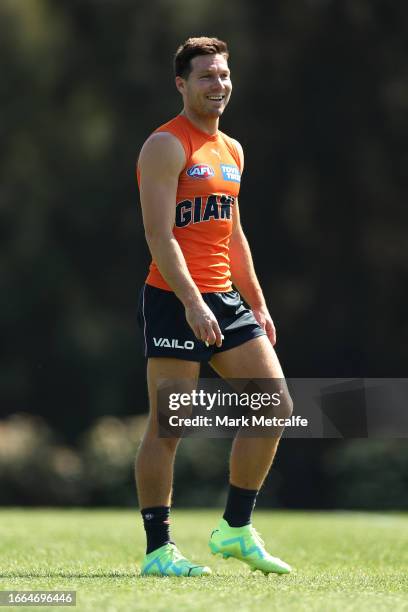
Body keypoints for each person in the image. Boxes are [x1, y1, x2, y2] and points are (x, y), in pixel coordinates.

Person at [136, 36, 293, 577]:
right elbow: (159, 234)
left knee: (273, 407)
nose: (218, 85)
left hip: (225, 299)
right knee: (168, 425)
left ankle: (235, 530)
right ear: (182, 84)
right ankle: (159, 551)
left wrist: (258, 304)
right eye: (206, 76)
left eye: (224, 75)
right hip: (174, 298)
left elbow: (234, 235)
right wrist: (191, 302)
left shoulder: (232, 150)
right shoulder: (165, 144)